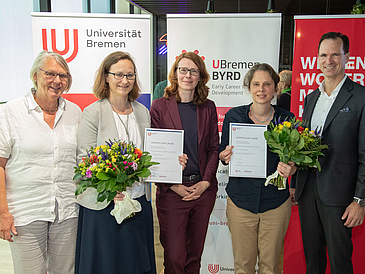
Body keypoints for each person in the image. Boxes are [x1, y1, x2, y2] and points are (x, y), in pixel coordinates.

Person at [74, 51, 156, 274]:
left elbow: (150, 155)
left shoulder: (142, 112)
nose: (125, 80)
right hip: (103, 208)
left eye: (130, 75)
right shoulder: (93, 113)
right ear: (106, 77)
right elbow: (84, 161)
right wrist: (111, 190)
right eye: (119, 74)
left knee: (136, 266)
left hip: (138, 204)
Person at [290, 32, 365, 274]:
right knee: (313, 262)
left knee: (340, 263)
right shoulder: (312, 98)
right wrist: (294, 180)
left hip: (340, 196)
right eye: (324, 54)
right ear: (317, 58)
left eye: (335, 54)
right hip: (307, 191)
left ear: (347, 57)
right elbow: (305, 145)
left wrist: (360, 201)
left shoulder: (361, 97)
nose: (328, 60)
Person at [0, 51, 81, 273]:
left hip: (67, 210)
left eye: (63, 76)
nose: (57, 81)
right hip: (26, 211)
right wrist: (2, 212)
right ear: (36, 75)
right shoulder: (10, 112)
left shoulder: (75, 113)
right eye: (50, 74)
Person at [219, 63, 297, 274]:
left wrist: (292, 168)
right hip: (241, 203)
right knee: (243, 267)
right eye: (256, 84)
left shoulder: (287, 119)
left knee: (270, 267)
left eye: (266, 84)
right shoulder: (234, 117)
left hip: (275, 204)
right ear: (249, 87)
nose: (261, 89)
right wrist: (223, 156)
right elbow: (222, 153)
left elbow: (294, 160)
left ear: (275, 88)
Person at [150, 51, 219, 274]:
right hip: (172, 193)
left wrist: (206, 182)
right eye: (183, 70)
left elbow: (213, 149)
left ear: (200, 76)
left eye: (193, 71)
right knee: (174, 258)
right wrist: (172, 185)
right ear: (175, 74)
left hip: (202, 193)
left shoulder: (208, 107)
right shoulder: (160, 106)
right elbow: (154, 152)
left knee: (193, 257)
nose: (187, 75)